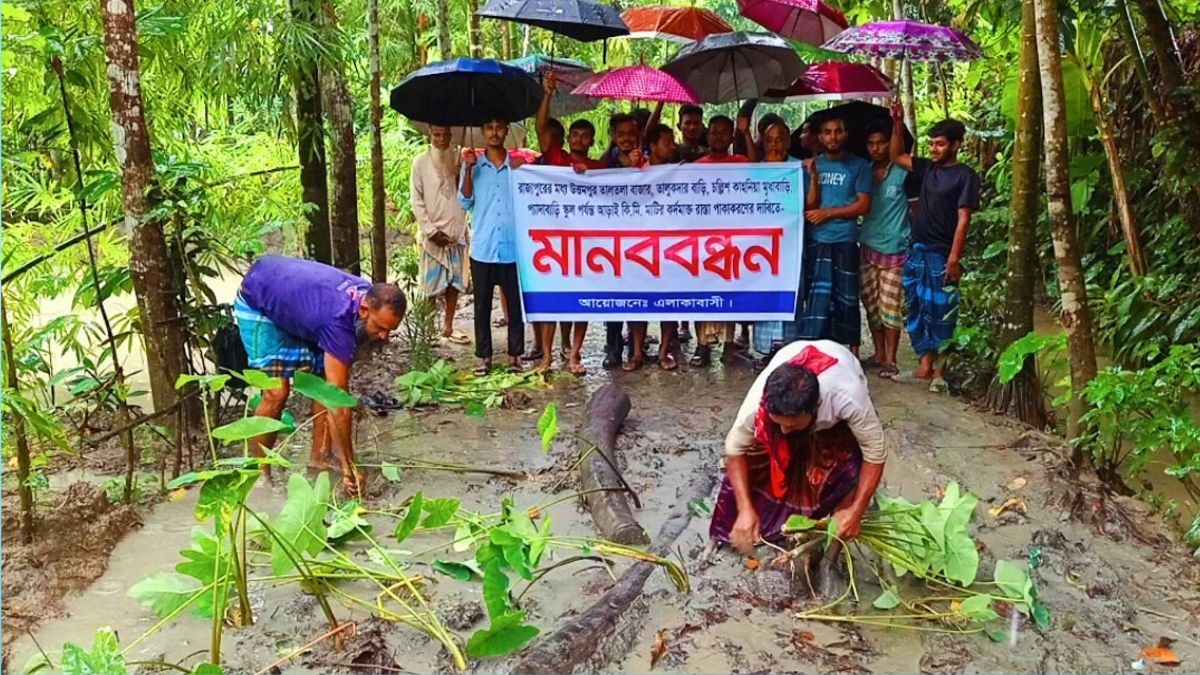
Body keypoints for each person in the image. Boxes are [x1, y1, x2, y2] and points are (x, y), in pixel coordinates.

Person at [235, 255, 406, 494]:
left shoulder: (367, 297)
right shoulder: (338, 322)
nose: (384, 337)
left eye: (390, 331)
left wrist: (345, 458)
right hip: (259, 299)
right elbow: (338, 404)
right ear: (365, 310)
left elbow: (329, 389)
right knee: (276, 392)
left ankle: (320, 456)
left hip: (296, 299)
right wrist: (350, 466)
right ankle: (260, 473)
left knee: (323, 379)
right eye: (380, 328)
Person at [708, 339, 887, 552]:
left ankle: (836, 538)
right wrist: (745, 508)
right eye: (779, 424)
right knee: (757, 458)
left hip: (839, 391)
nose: (783, 432)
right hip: (793, 379)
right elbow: (734, 451)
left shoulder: (848, 398)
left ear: (815, 408)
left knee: (848, 470)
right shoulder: (757, 405)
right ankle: (743, 528)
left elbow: (875, 453)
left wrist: (856, 511)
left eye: (792, 425)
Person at [889, 102, 980, 393]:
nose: (934, 148)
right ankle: (924, 365)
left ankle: (940, 371)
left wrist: (954, 258)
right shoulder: (926, 168)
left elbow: (963, 220)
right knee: (916, 306)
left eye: (940, 144)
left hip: (941, 253)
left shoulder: (965, 176)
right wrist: (897, 121)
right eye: (932, 143)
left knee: (942, 310)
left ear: (955, 145)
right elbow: (895, 155)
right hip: (917, 249)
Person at [530, 74, 606, 374]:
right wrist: (547, 94)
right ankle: (547, 357)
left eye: (584, 136)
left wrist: (589, 175)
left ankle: (574, 355)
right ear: (568, 138)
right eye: (574, 134)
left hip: (585, 243)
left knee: (581, 302)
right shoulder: (555, 157)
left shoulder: (600, 168)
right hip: (553, 240)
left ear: (591, 141)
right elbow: (540, 127)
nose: (578, 139)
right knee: (551, 300)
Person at [795, 115, 871, 352]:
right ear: (820, 136)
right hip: (817, 239)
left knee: (847, 295)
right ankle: (818, 348)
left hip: (845, 239)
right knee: (818, 296)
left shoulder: (859, 166)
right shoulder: (811, 165)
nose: (833, 137)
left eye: (838, 131)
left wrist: (827, 214)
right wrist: (814, 176)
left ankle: (852, 350)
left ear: (845, 135)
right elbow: (809, 204)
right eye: (827, 132)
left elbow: (862, 206)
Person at [459, 116, 527, 375]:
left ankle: (514, 356)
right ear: (483, 131)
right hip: (484, 247)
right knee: (482, 306)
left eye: (499, 127)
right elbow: (464, 202)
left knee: (514, 304)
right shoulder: (474, 165)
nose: (495, 132)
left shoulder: (518, 166)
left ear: (506, 130)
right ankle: (484, 358)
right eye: (489, 127)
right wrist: (466, 168)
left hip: (512, 246)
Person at [691, 114, 758, 367]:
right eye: (714, 132)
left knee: (730, 291)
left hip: (733, 239)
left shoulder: (740, 162)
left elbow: (757, 172)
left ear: (731, 137)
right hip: (704, 239)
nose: (718, 136)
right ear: (707, 136)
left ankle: (729, 346)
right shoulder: (697, 166)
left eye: (724, 132)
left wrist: (747, 133)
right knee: (702, 291)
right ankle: (702, 345)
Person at [751, 121, 818, 359]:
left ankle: (789, 348)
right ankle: (765, 350)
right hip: (761, 247)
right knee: (764, 291)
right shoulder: (755, 170)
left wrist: (813, 175)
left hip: (791, 244)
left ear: (789, 142)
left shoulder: (797, 168)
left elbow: (810, 204)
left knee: (792, 291)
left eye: (780, 139)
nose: (775, 144)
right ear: (763, 142)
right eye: (770, 139)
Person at [623, 123, 682, 371]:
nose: (672, 146)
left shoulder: (680, 172)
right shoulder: (639, 168)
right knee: (639, 300)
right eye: (667, 142)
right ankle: (636, 353)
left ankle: (664, 352)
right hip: (640, 243)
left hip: (671, 245)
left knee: (670, 300)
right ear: (654, 145)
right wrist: (631, 168)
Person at [859, 121, 912, 379]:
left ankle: (891, 359)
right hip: (867, 245)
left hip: (895, 249)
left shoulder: (903, 172)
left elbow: (915, 209)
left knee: (890, 306)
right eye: (871, 143)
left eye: (881, 142)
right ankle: (879, 353)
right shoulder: (864, 172)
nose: (876, 148)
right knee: (871, 304)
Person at [411, 125, 470, 345]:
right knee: (430, 287)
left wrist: (462, 175)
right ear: (430, 134)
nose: (442, 138)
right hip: (432, 235)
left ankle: (448, 326)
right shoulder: (420, 162)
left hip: (456, 230)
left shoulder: (461, 159)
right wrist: (430, 231)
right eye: (437, 134)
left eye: (446, 134)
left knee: (453, 284)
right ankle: (426, 332)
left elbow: (467, 194)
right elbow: (416, 200)